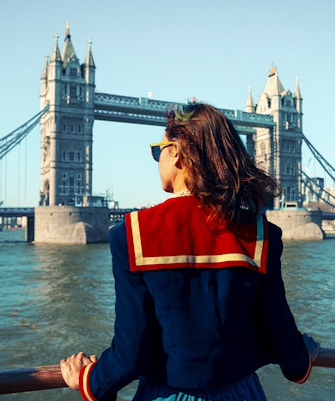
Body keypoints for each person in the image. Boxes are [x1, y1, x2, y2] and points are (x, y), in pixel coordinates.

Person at [60, 103, 319, 401]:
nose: (156, 160)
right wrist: (301, 360)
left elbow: (130, 356)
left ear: (178, 152)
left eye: (158, 151)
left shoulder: (132, 234)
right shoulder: (261, 234)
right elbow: (280, 332)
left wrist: (88, 379)